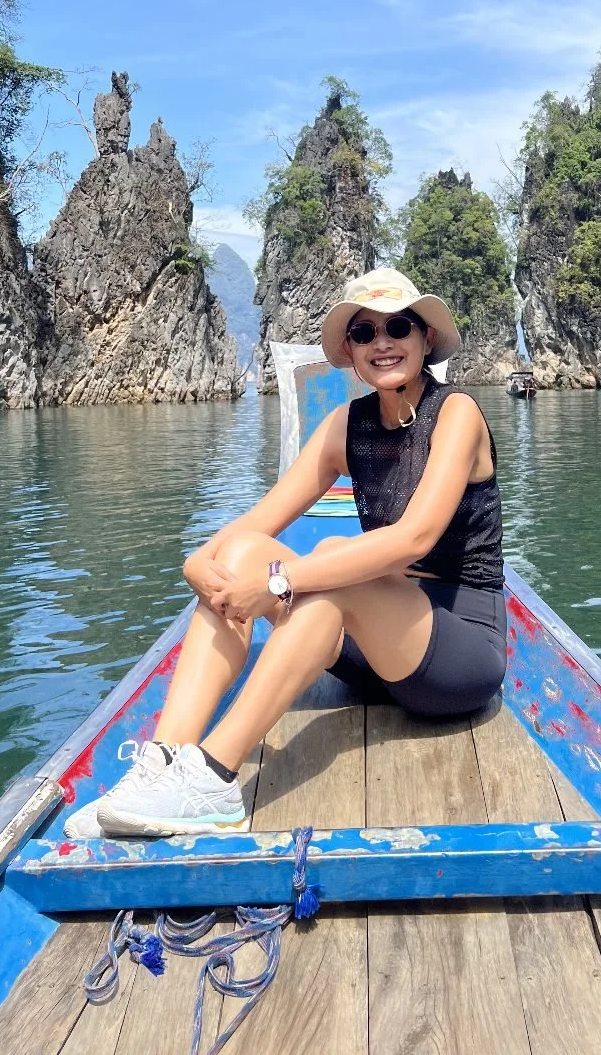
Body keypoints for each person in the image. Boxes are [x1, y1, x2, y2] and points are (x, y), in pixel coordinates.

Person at [65, 267, 506, 839]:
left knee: (328, 568)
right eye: (366, 332)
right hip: (375, 657)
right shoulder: (346, 426)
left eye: (399, 325)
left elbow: (411, 540)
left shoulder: (457, 414)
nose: (384, 342)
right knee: (247, 552)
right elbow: (257, 523)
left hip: (456, 652)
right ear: (349, 350)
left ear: (425, 338)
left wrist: (280, 583)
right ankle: (163, 764)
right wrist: (202, 559)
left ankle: (215, 778)